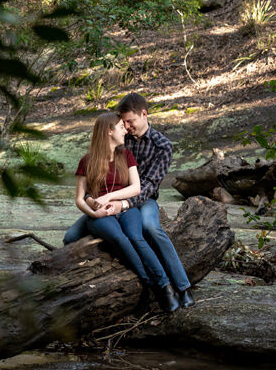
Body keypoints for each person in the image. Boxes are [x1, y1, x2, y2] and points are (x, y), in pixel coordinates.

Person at [64, 93, 195, 309]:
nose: (126, 126)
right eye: (123, 122)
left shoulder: (162, 145)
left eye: (130, 121)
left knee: (150, 228)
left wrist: (122, 204)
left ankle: (182, 287)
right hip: (108, 203)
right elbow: (94, 180)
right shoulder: (120, 141)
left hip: (143, 201)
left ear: (144, 115)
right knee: (72, 237)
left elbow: (147, 187)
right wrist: (92, 200)